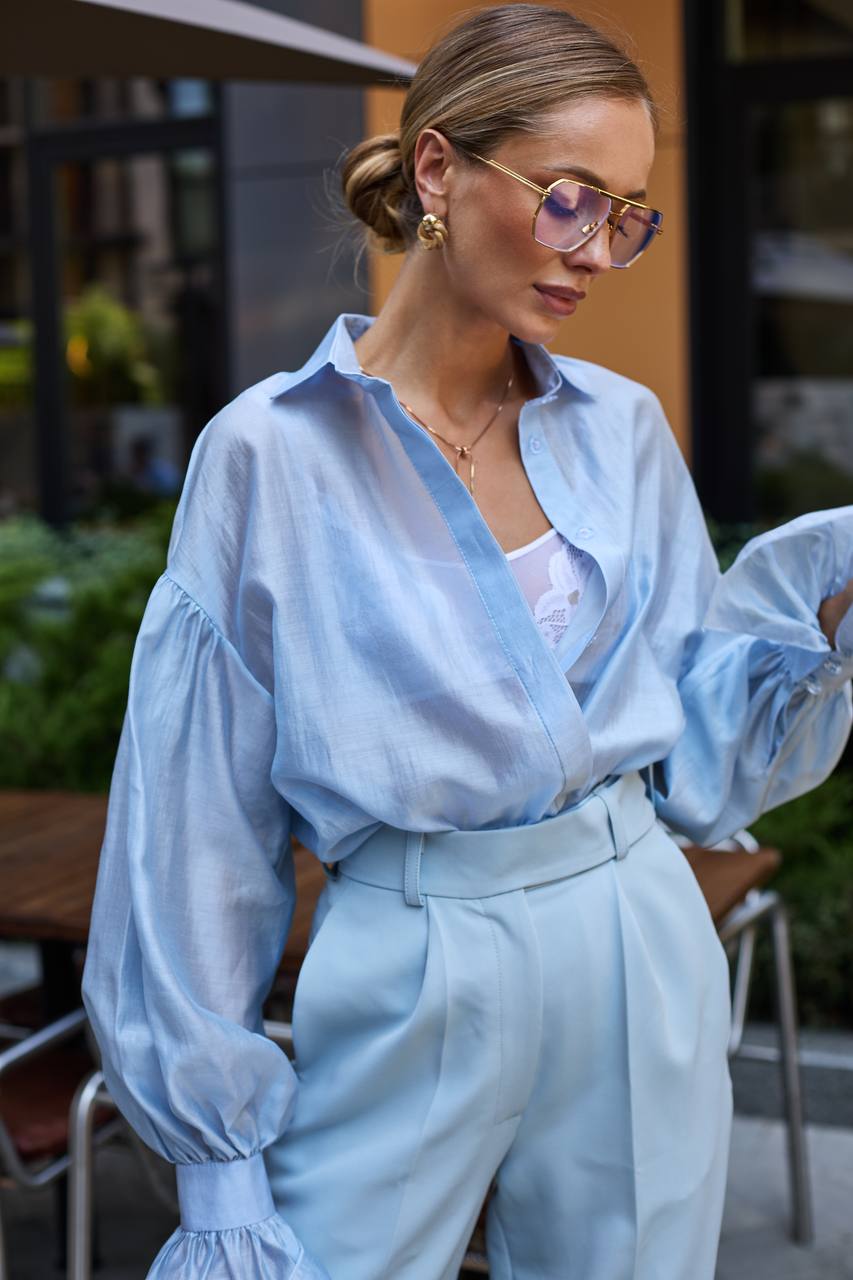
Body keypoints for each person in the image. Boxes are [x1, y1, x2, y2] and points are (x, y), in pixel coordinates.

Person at [82, 6, 853, 1279]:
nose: (601, 250)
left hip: (633, 921)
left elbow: (701, 747)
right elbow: (197, 823)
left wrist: (823, 617)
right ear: (436, 170)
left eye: (629, 214)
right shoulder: (268, 454)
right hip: (408, 946)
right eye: (569, 199)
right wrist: (213, 1158)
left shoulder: (620, 426)